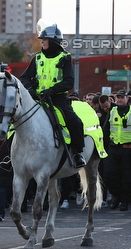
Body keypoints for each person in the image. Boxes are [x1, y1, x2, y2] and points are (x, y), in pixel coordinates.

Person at [20, 23, 86, 169]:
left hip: (58, 99)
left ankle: (77, 152)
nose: (42, 42)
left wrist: (51, 90)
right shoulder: (36, 58)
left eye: (44, 39)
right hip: (37, 99)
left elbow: (69, 81)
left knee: (75, 122)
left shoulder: (65, 58)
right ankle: (9, 155)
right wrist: (31, 90)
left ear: (53, 41)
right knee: (16, 122)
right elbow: (24, 78)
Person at [102, 90, 131, 210]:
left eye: (121, 97)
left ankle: (124, 200)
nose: (119, 100)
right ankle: (116, 195)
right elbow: (105, 131)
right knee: (108, 174)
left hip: (128, 150)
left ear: (127, 99)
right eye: (117, 98)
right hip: (113, 149)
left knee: (126, 177)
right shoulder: (112, 112)